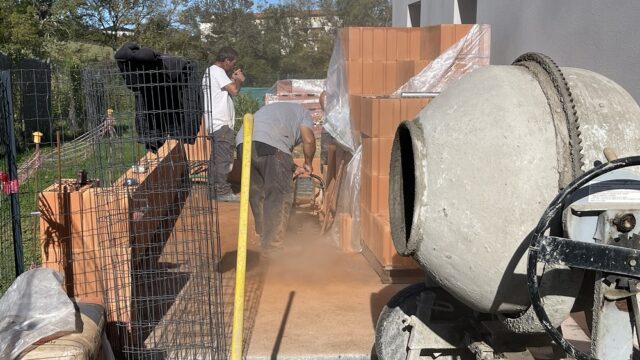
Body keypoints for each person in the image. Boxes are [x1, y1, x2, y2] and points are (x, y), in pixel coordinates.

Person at [236, 102, 316, 256]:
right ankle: (272, 246)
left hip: (243, 142)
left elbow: (265, 148)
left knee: (257, 193)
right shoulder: (304, 114)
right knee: (279, 195)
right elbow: (309, 140)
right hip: (272, 146)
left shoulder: (273, 111)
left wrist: (292, 167)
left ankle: (264, 235)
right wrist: (308, 163)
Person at [202, 46, 245, 201]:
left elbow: (226, 90)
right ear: (226, 60)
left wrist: (233, 79)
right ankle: (223, 192)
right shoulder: (217, 72)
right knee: (223, 159)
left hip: (214, 123)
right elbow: (234, 90)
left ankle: (214, 191)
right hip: (221, 124)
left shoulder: (209, 72)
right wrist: (238, 80)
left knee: (215, 159)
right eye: (232, 62)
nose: (233, 66)